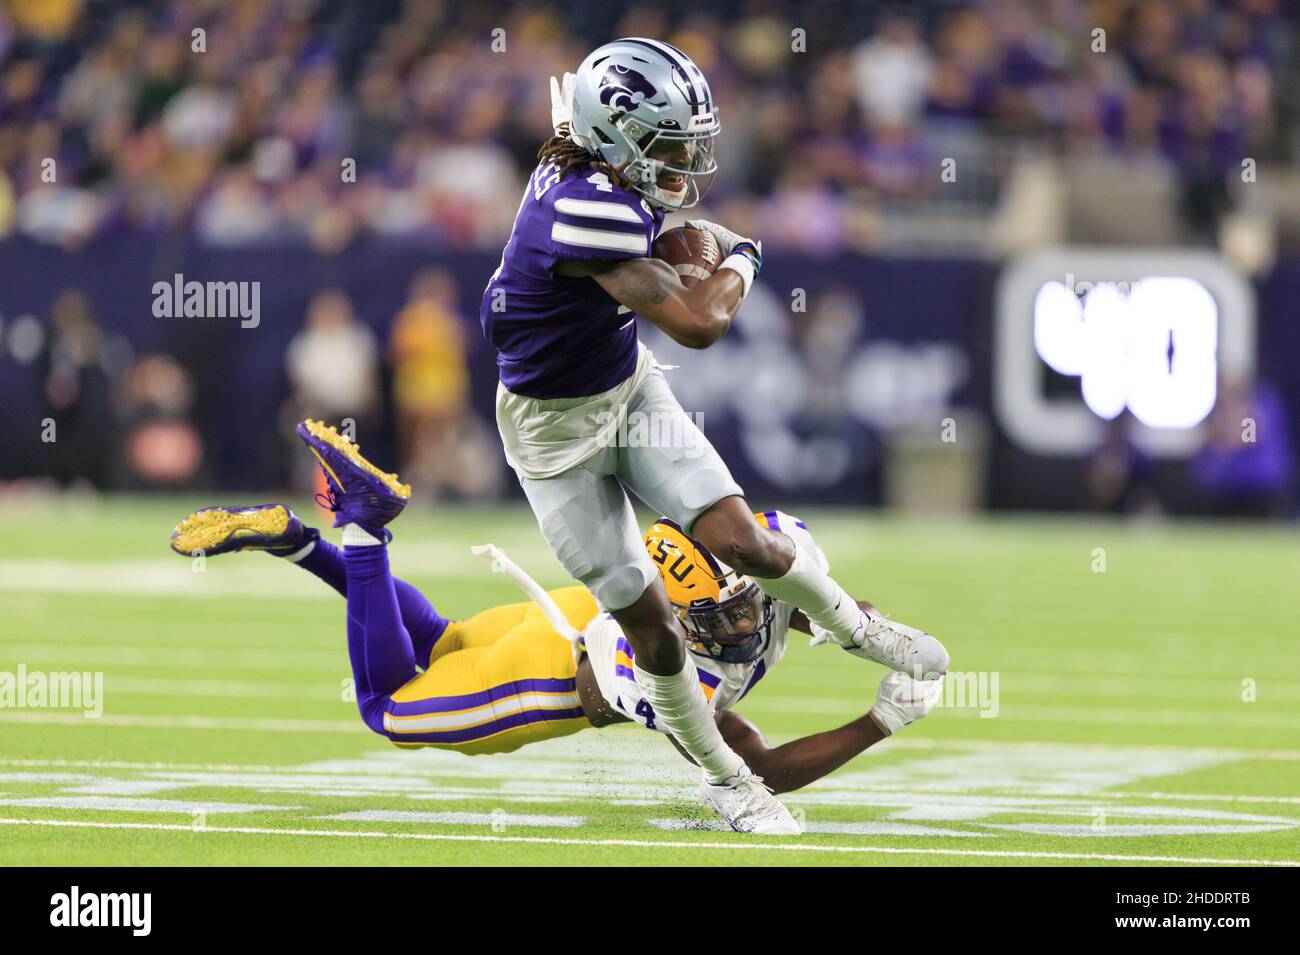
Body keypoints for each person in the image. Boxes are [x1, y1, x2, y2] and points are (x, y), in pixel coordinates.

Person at [477, 38, 948, 833]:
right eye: (664, 142)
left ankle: (860, 633)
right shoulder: (588, 207)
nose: (683, 160)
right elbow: (698, 325)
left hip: (625, 392)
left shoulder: (596, 167)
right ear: (615, 137)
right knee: (655, 636)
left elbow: (644, 235)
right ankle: (730, 785)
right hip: (554, 443)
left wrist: (693, 245)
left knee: (746, 542)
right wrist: (744, 257)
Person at [169, 423, 944, 828]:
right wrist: (877, 721)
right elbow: (757, 771)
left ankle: (299, 542)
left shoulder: (754, 574)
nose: (743, 620)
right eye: (720, 612)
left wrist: (874, 633)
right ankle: (363, 528)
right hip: (545, 678)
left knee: (436, 640)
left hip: (566, 617)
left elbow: (841, 610)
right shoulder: (671, 664)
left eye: (747, 601)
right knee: (387, 710)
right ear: (677, 610)